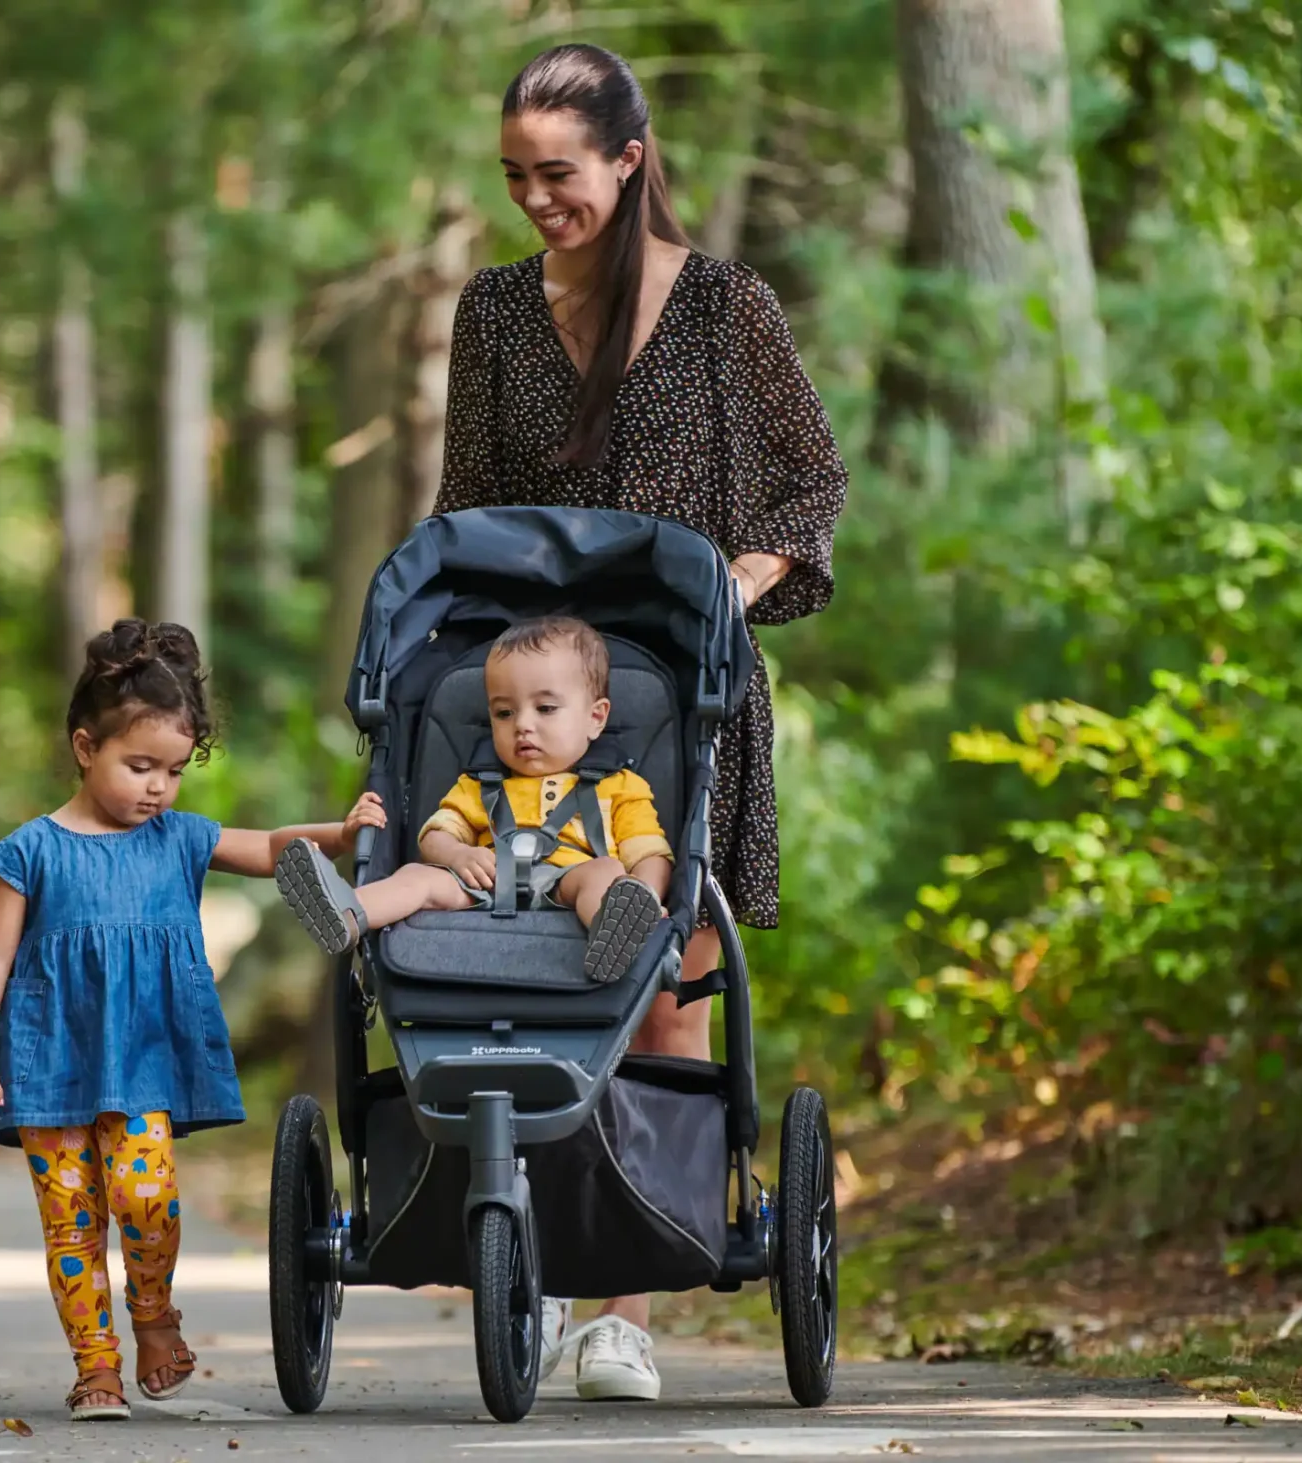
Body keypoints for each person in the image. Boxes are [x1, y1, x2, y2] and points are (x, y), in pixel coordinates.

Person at [434, 43, 851, 1401]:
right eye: (515, 177)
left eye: (556, 172)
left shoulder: (727, 308)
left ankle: (625, 1302)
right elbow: (464, 508)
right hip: (531, 704)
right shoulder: (493, 313)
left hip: (686, 694)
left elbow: (814, 477)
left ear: (627, 156)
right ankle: (536, 1270)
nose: (534, 198)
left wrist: (750, 570)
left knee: (661, 986)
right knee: (517, 981)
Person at [0, 619, 385, 1423]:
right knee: (72, 1222)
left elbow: (267, 847)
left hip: (144, 1056)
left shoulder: (178, 838)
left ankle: (154, 1315)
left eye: (175, 770)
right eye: (139, 765)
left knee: (146, 1197)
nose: (158, 786)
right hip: (50, 1063)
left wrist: (340, 832)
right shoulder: (31, 851)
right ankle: (96, 1369)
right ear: (86, 748)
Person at [273, 615, 673, 982]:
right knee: (416, 877)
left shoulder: (621, 786)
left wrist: (647, 896)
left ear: (596, 717)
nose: (523, 725)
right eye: (503, 714)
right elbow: (436, 835)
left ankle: (617, 930)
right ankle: (345, 915)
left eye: (546, 708)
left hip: (569, 885)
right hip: (483, 885)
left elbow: (648, 852)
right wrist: (459, 857)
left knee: (606, 872)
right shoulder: (480, 784)